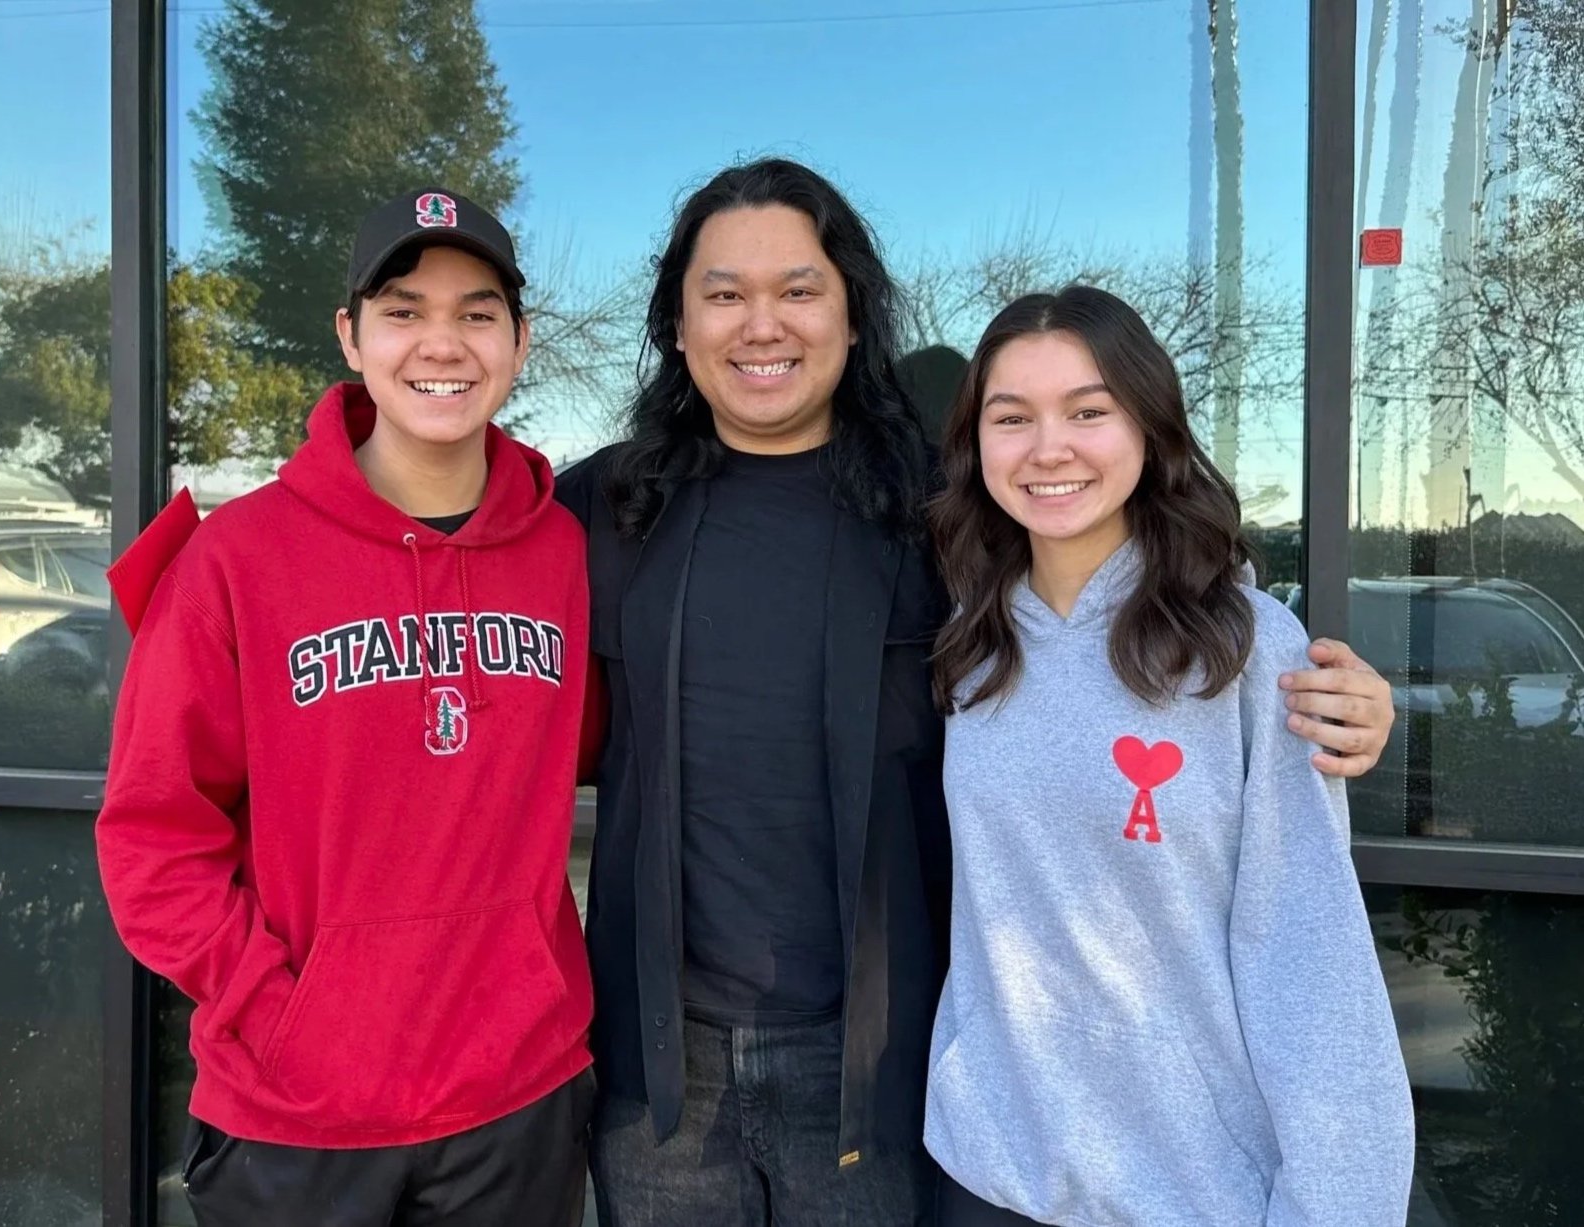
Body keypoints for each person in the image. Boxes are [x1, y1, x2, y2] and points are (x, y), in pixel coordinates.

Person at [557, 158, 1399, 1227]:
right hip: (658, 1071)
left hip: (882, 1069)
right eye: (723, 293)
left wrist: (1301, 681)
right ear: (678, 325)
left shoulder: (944, 511)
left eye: (799, 289)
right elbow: (447, 582)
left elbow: (1109, 574)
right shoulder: (602, 506)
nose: (761, 323)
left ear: (853, 313)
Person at [97, 187, 596, 1227]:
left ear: (519, 341)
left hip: (517, 1095)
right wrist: (274, 1012)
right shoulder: (236, 560)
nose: (441, 343)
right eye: (403, 310)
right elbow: (153, 837)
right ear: (351, 335)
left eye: (476, 312)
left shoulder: (562, 552)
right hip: (299, 1113)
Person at [924, 286, 1415, 1227]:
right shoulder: (968, 643)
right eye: (1011, 417)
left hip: (1189, 1191)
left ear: (1149, 427)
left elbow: (1308, 955)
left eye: (1088, 411)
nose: (1049, 448)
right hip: (991, 1172)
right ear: (975, 443)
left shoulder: (1244, 649)